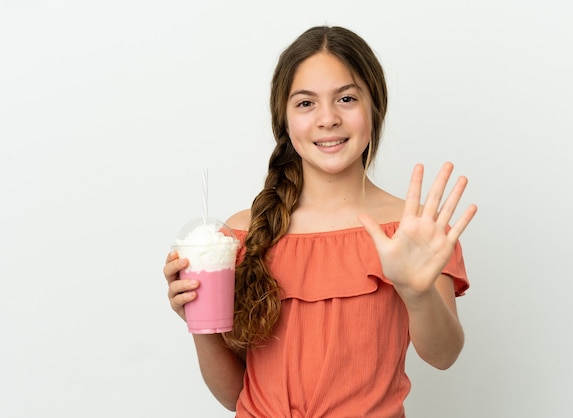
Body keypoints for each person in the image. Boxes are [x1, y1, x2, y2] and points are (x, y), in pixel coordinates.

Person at [164, 25, 477, 417]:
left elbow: (444, 355)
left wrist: (417, 294)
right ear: (285, 117)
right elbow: (235, 397)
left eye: (346, 98)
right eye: (306, 103)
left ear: (374, 107)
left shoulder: (413, 230)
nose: (327, 119)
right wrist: (200, 323)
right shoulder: (241, 235)